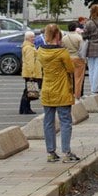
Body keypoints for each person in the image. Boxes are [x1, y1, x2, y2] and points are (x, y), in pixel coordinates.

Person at [37, 24, 78, 163]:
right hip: (62, 91)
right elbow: (71, 69)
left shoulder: (40, 51)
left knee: (48, 122)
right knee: (65, 121)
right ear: (57, 35)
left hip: (47, 90)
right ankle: (66, 152)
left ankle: (51, 152)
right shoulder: (62, 52)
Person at [60, 21, 86, 99]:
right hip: (78, 58)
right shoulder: (79, 37)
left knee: (68, 79)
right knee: (78, 79)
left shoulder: (64, 38)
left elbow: (62, 48)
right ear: (75, 28)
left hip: (68, 58)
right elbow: (82, 50)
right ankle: (77, 96)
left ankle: (68, 95)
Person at [19, 30, 42, 115]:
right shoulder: (29, 48)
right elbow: (30, 61)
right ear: (28, 38)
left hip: (29, 72)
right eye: (32, 37)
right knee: (29, 91)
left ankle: (24, 108)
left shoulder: (29, 46)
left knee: (28, 90)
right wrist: (32, 74)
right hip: (31, 73)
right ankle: (25, 109)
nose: (34, 38)